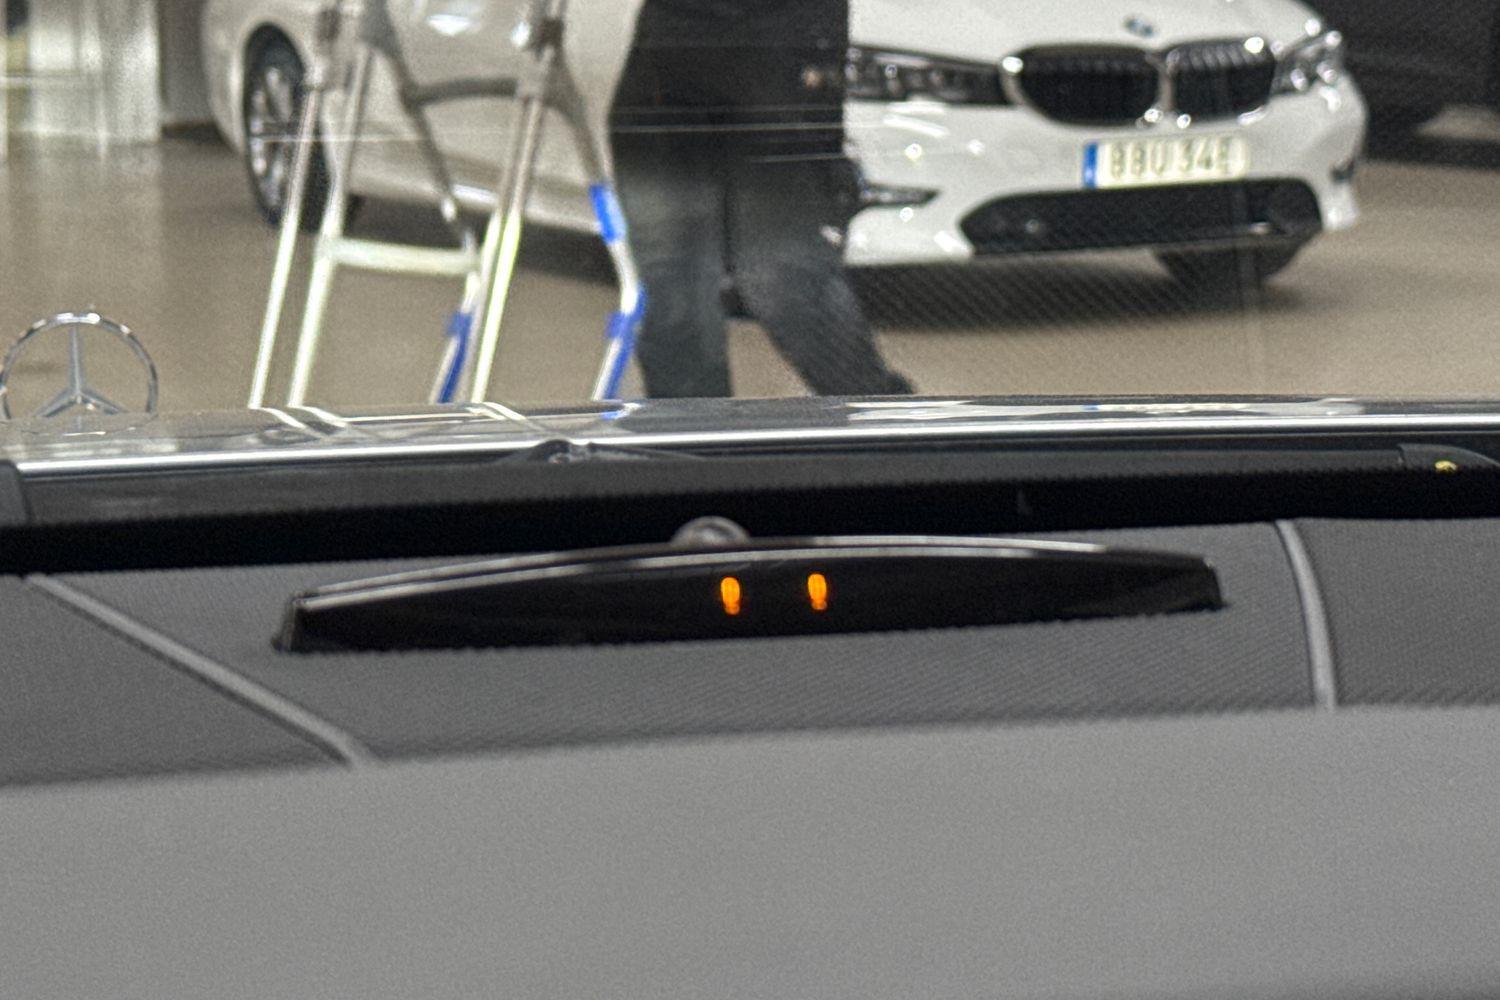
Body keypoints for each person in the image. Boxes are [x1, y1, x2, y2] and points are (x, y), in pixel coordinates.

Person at [609, 0, 912, 398]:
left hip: (779, 45)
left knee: (781, 273)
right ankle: (692, 433)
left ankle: (880, 419)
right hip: (672, 53)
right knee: (677, 285)